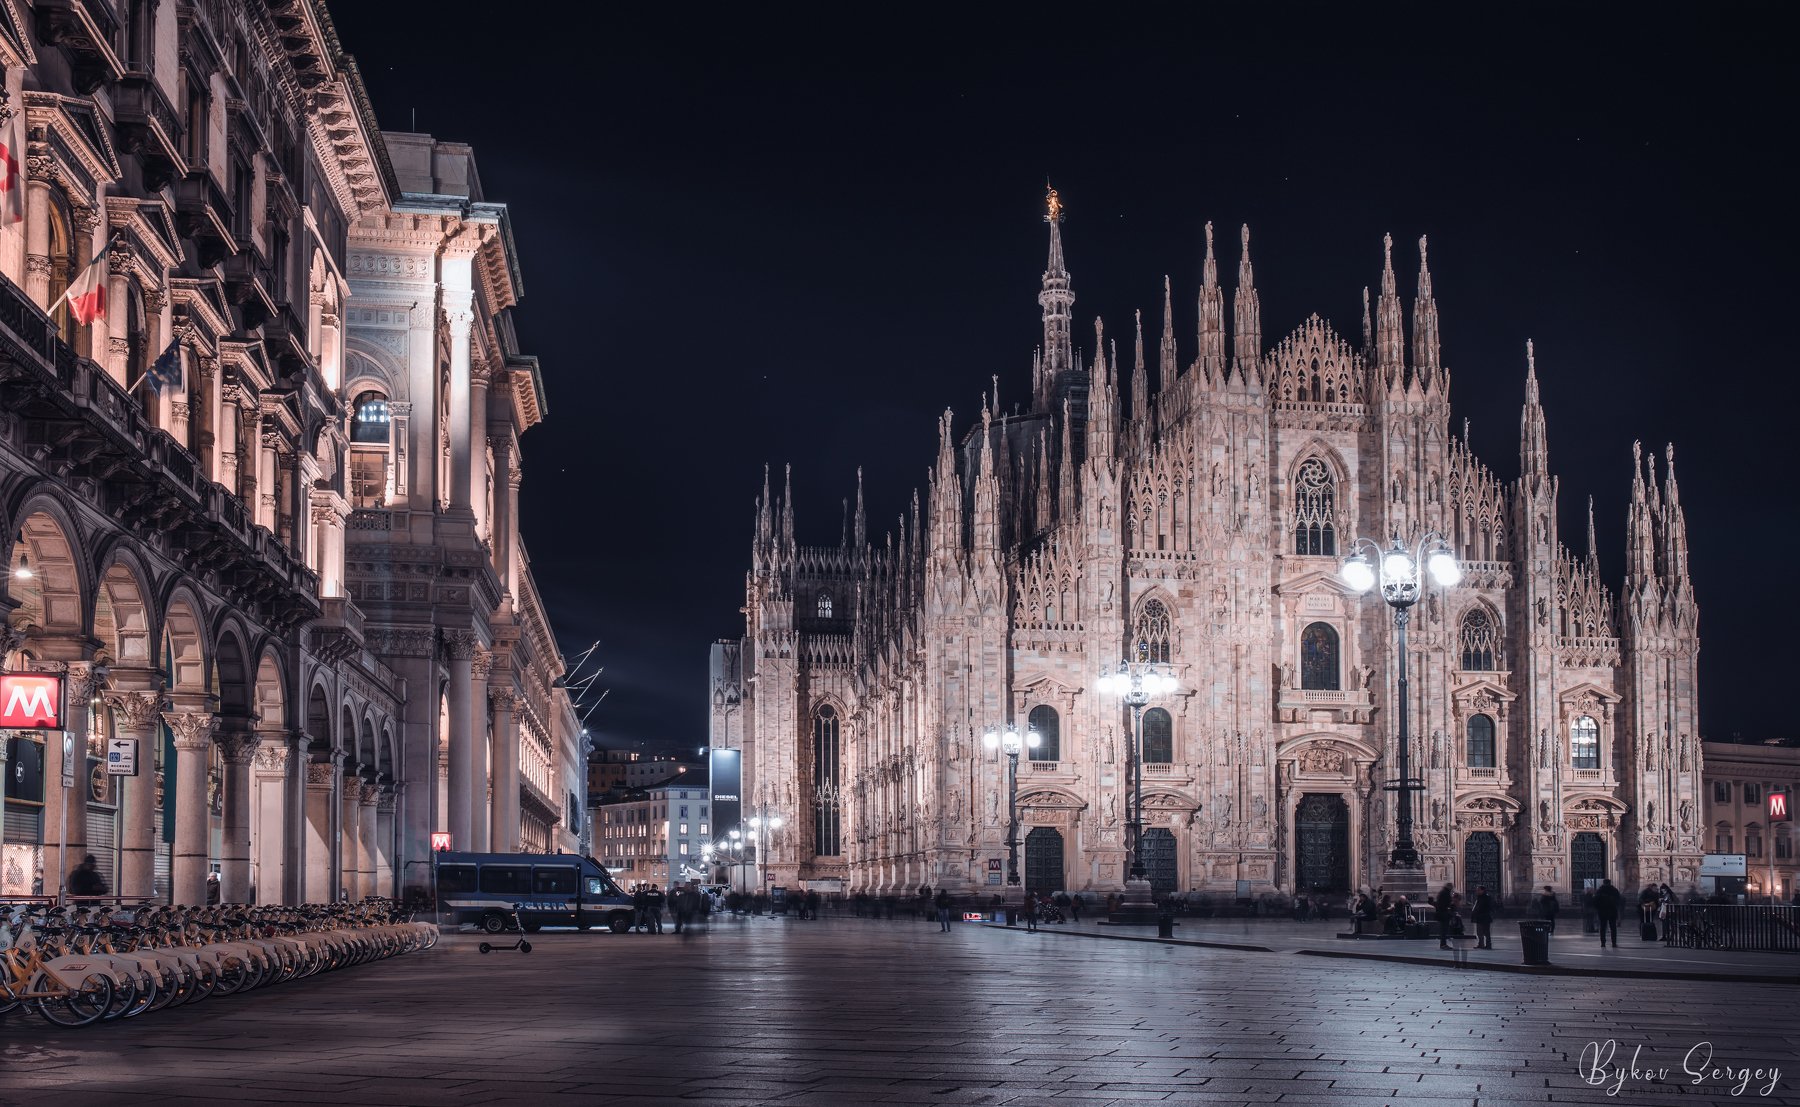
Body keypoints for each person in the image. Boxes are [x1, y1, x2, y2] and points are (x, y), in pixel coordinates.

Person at [1593, 878, 1622, 947]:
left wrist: (1598, 909)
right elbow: (1618, 901)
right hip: (1612, 911)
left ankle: (1603, 943)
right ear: (1610, 883)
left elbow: (1595, 901)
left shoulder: (1599, 891)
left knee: (1602, 928)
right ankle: (1614, 943)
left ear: (1603, 883)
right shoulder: (1614, 890)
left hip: (1602, 911)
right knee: (1613, 928)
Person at [1432, 884, 1455, 949]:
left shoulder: (1443, 892)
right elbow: (1446, 904)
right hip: (1444, 914)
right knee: (1444, 930)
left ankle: (1443, 944)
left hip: (1442, 913)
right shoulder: (1446, 893)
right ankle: (1443, 944)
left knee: (1443, 930)